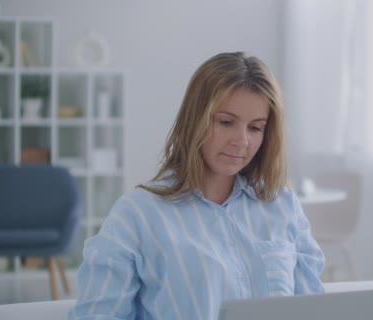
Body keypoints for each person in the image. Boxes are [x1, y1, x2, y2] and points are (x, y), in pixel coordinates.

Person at [69, 52, 325, 320]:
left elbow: (313, 310)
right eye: (226, 122)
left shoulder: (282, 206)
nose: (242, 141)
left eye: (255, 128)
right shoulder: (137, 214)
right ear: (195, 120)